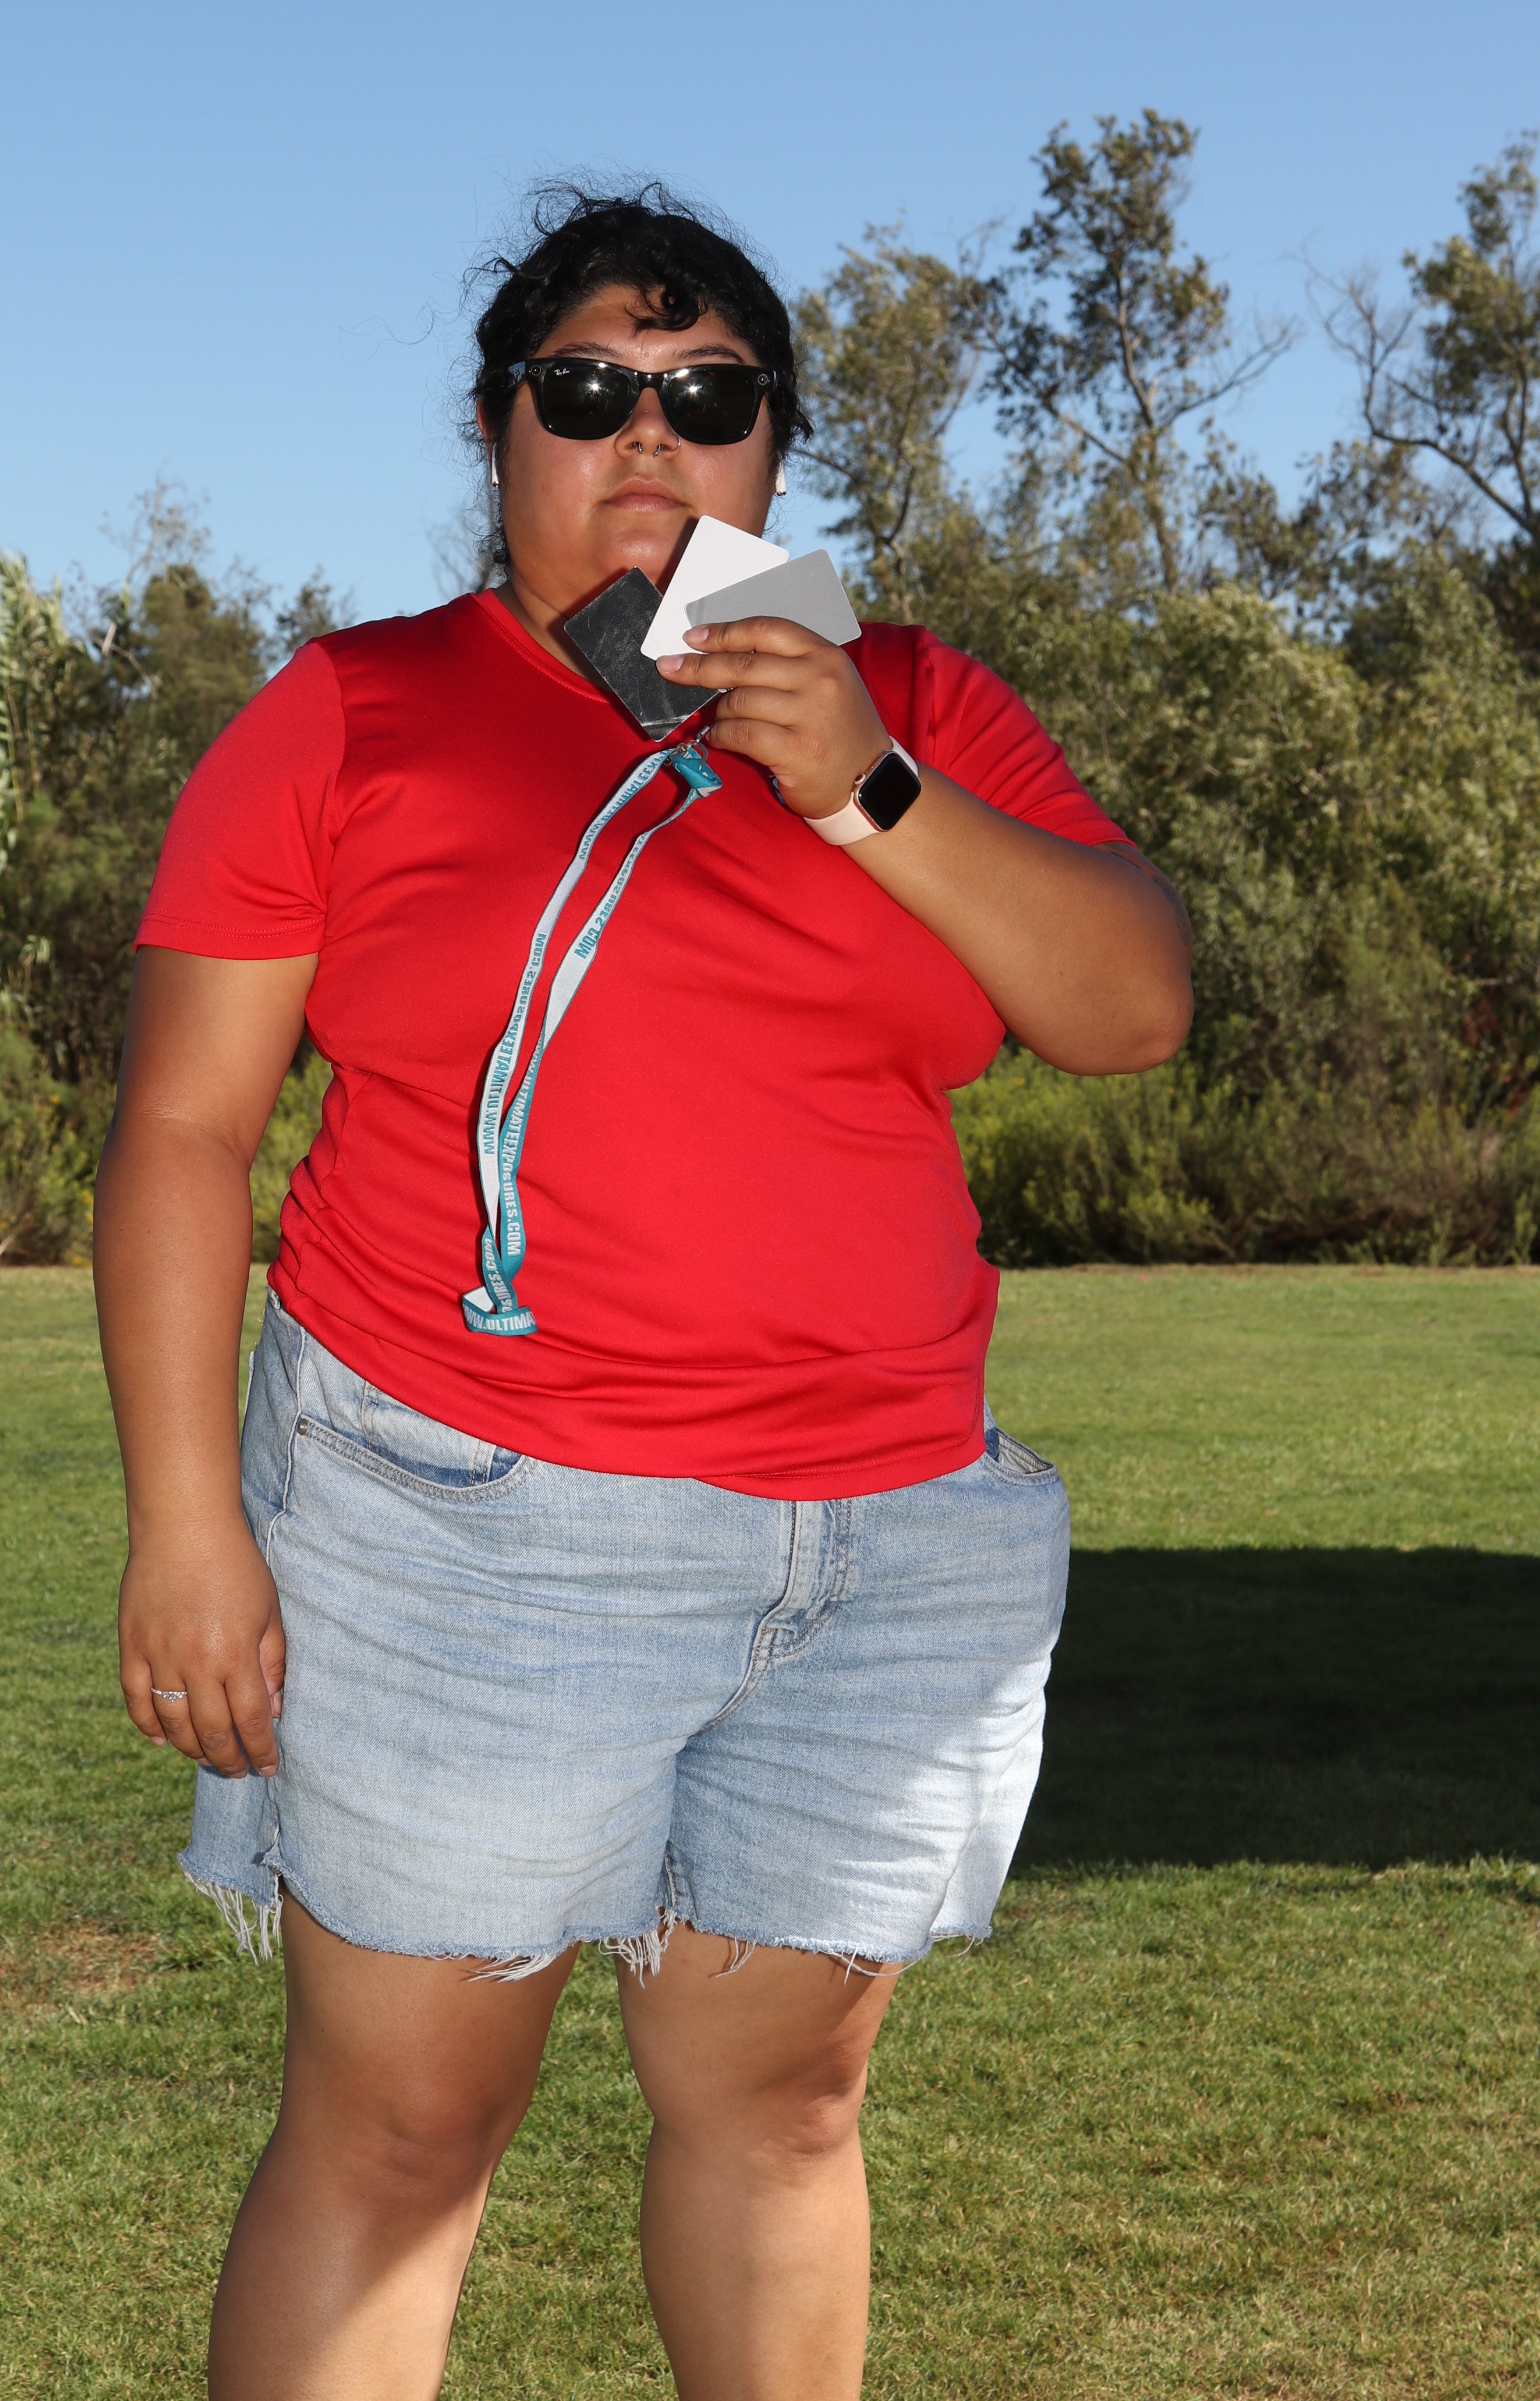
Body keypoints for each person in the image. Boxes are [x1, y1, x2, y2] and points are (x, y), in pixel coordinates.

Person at [93, 185, 1192, 2401]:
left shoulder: (916, 702)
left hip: (885, 1546)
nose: (648, 438)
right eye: (587, 389)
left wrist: (865, 785)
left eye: (710, 396)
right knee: (404, 2133)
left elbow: (1129, 1006)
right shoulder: (357, 711)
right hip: (470, 1526)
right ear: (500, 429)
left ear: (776, 444)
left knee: (782, 2114)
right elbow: (187, 1131)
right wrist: (188, 1521)